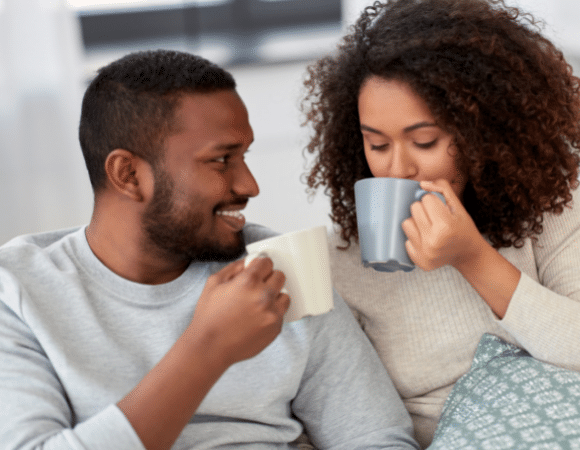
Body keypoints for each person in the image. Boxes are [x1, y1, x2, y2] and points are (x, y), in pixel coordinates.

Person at [0, 49, 420, 450]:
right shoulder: (18, 291)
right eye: (221, 160)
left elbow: (376, 439)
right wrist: (208, 346)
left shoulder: (277, 266)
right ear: (128, 174)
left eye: (245, 155)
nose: (249, 185)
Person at [301, 0, 580, 446]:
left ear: (483, 130)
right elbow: (351, 421)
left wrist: (473, 258)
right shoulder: (340, 261)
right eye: (377, 145)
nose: (398, 169)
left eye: (424, 141)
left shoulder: (551, 204)